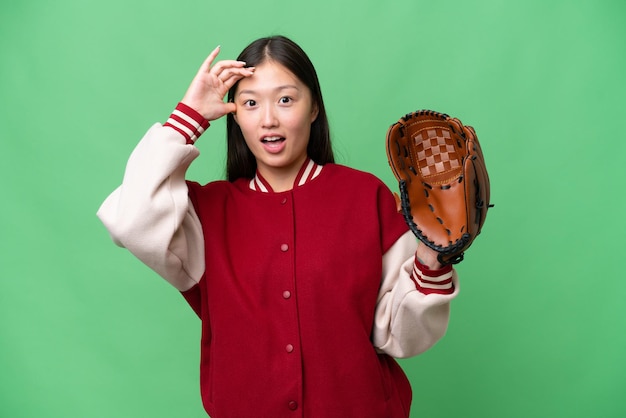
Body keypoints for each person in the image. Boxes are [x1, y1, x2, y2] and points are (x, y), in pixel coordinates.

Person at [97, 35, 459, 418]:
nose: (268, 119)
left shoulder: (366, 196)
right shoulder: (205, 213)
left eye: (285, 99)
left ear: (314, 108)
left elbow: (400, 336)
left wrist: (431, 259)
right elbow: (129, 222)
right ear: (234, 114)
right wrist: (189, 116)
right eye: (250, 103)